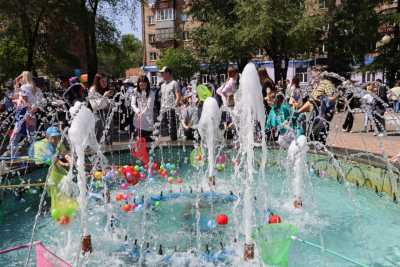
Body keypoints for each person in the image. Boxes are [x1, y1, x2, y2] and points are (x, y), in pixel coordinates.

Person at [297, 66, 338, 145]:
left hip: (322, 117)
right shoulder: (317, 85)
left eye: (313, 74)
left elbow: (332, 99)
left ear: (319, 72)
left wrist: (321, 100)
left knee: (318, 140)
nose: (312, 76)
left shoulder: (326, 83)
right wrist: (298, 111)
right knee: (312, 138)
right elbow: (310, 102)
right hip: (314, 117)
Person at [10, 71, 44, 157]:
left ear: (23, 78)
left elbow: (24, 101)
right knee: (32, 137)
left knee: (14, 137)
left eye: (21, 77)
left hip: (23, 115)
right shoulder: (37, 89)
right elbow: (41, 103)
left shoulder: (24, 87)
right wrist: (32, 111)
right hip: (33, 114)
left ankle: (13, 156)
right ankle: (32, 155)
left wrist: (28, 113)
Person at [88, 73, 113, 144]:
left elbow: (107, 104)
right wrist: (104, 96)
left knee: (109, 131)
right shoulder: (92, 90)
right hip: (97, 113)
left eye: (106, 81)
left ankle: (109, 147)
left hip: (107, 112)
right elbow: (95, 106)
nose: (105, 83)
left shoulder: (106, 89)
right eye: (103, 81)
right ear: (97, 82)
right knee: (98, 127)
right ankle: (96, 150)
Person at [131, 75, 156, 142]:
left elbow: (149, 106)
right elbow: (132, 104)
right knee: (139, 142)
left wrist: (141, 113)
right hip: (138, 122)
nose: (142, 87)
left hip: (148, 121)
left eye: (144, 85)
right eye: (140, 85)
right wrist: (137, 111)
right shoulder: (135, 91)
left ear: (147, 84)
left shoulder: (151, 93)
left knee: (148, 143)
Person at [159, 66, 181, 141]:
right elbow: (162, 98)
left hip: (171, 109)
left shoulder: (174, 83)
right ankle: (165, 146)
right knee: (164, 130)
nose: (161, 75)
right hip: (163, 110)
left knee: (172, 129)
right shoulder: (162, 85)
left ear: (168, 73)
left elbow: (178, 96)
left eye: (163, 73)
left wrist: (174, 107)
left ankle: (174, 143)